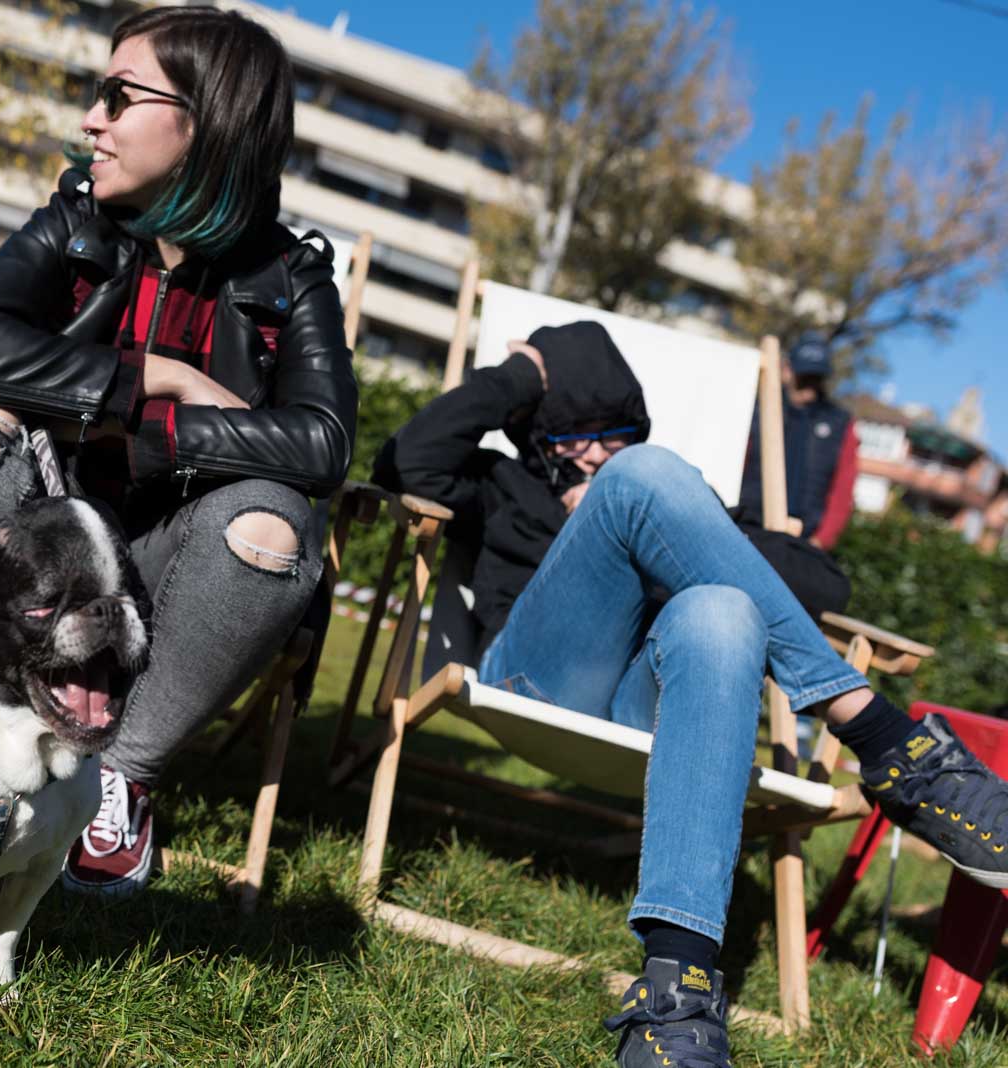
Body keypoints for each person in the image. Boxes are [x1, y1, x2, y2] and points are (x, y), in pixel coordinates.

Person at [374, 321, 1008, 1068]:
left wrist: (686, 524)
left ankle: (676, 996)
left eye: (612, 434)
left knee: (723, 608)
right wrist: (522, 379)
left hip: (639, 706)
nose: (594, 453)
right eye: (572, 438)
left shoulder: (671, 495)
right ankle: (896, 749)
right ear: (539, 439)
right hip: (534, 675)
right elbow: (403, 461)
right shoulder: (501, 482)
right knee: (641, 479)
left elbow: (822, 583)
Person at [0, 6, 355, 899]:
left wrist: (156, 439)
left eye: (118, 96)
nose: (90, 119)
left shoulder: (291, 278)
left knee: (273, 521)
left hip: (176, 565)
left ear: (205, 121)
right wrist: (153, 380)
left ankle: (116, 778)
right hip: (37, 537)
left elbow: (323, 443)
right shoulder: (75, 222)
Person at [738, 332, 859, 550]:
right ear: (786, 370)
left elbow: (842, 490)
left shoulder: (839, 423)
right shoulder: (756, 410)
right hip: (747, 526)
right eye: (805, 378)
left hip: (803, 540)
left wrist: (820, 541)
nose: (810, 389)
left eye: (816, 379)